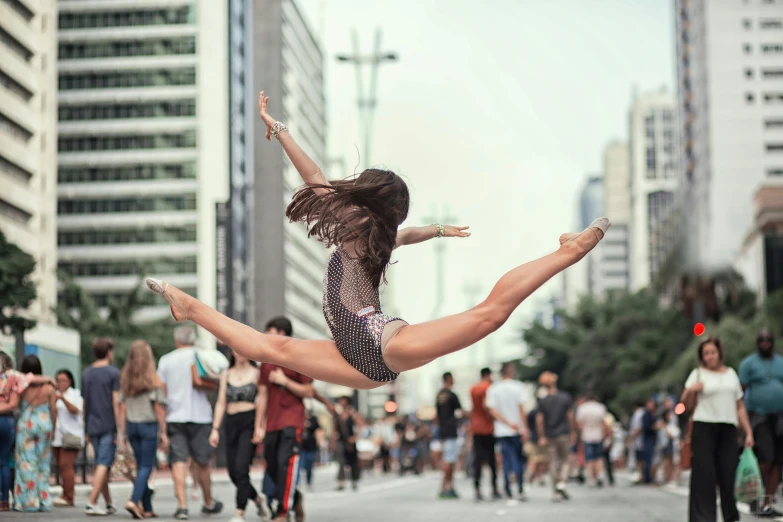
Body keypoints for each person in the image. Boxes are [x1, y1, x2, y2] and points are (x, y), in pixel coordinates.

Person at [144, 92, 610, 391]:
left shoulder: (361, 229)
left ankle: (569, 250)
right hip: (362, 358)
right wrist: (439, 230)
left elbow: (314, 177)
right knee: (271, 350)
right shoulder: (371, 232)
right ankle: (187, 304)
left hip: (372, 346)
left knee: (488, 315)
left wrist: (281, 130)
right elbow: (405, 233)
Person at [681, 337, 753, 522]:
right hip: (704, 426)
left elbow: (740, 406)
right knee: (704, 475)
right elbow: (685, 405)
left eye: (712, 352)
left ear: (719, 353)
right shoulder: (697, 374)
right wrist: (691, 390)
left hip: (728, 427)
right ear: (702, 357)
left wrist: (748, 432)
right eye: (706, 353)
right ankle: (703, 518)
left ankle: (731, 516)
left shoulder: (731, 374)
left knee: (728, 474)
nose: (710, 356)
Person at [157, 326, 223, 520]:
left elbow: (163, 392)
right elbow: (220, 371)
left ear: (177, 341)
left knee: (178, 460)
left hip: (175, 416)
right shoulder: (202, 355)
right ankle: (208, 502)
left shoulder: (165, 360)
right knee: (202, 462)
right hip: (201, 416)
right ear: (193, 340)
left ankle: (182, 506)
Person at [253, 317, 313, 522]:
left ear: (283, 334)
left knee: (285, 464)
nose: (268, 336)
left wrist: (284, 381)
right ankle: (295, 498)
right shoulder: (266, 362)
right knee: (273, 467)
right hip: (272, 423)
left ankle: (282, 511)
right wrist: (258, 426)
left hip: (292, 420)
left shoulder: (298, 357)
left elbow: (308, 391)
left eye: (273, 332)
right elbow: (262, 394)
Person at [210, 347, 265, 522]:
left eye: (242, 349)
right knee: (233, 472)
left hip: (249, 422)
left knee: (242, 468)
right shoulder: (226, 374)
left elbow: (263, 401)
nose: (239, 353)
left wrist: (259, 427)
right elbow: (221, 402)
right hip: (231, 422)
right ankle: (257, 498)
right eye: (235, 350)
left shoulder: (256, 373)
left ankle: (239, 511)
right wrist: (215, 429)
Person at [117, 340, 169, 519]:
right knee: (147, 466)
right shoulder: (154, 380)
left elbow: (121, 407)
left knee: (141, 467)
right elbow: (159, 409)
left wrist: (122, 431)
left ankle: (147, 508)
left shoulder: (125, 379)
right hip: (148, 425)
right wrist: (164, 432)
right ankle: (133, 500)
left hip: (132, 426)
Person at [0, 352, 55, 511]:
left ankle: (28, 502)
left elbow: (15, 404)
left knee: (26, 463)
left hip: (27, 424)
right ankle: (44, 500)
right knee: (43, 464)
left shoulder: (20, 386)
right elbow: (53, 410)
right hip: (45, 423)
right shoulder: (49, 387)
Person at [738, 328, 783, 517]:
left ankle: (767, 502)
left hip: (780, 416)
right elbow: (739, 393)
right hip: (758, 416)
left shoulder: (780, 362)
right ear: (757, 342)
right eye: (761, 340)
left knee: (778, 462)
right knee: (765, 458)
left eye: (768, 340)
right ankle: (755, 498)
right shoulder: (749, 364)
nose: (765, 343)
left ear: (773, 342)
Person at [82, 337, 121, 516]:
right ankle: (91, 502)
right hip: (108, 424)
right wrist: (120, 428)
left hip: (92, 423)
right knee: (104, 463)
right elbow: (116, 402)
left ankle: (108, 502)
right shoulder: (113, 374)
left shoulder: (87, 373)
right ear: (109, 352)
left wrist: (85, 427)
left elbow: (85, 403)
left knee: (100, 464)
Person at [486, 362, 528, 501]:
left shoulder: (494, 388)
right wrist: (524, 427)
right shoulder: (518, 387)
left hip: (502, 431)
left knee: (506, 460)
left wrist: (506, 423)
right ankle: (520, 488)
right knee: (518, 460)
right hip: (517, 429)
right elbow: (522, 409)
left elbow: (492, 410)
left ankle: (507, 489)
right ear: (511, 371)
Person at [536, 371, 576, 502]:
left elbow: (540, 420)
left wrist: (541, 436)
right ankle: (562, 483)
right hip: (563, 433)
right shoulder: (565, 397)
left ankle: (556, 492)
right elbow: (570, 417)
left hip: (550, 435)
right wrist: (573, 431)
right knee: (566, 460)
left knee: (553, 463)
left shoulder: (543, 401)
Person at [52, 369, 84, 508]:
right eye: (58, 380)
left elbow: (75, 410)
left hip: (71, 435)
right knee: (61, 466)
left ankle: (69, 496)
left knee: (67, 465)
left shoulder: (74, 394)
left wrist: (63, 399)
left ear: (70, 381)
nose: (60, 383)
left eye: (63, 380)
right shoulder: (54, 395)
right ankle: (64, 493)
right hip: (57, 436)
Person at [469, 367, 501, 502]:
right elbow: (486, 406)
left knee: (478, 458)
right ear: (488, 375)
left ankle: (477, 488)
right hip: (488, 427)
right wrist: (494, 418)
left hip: (476, 427)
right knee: (491, 459)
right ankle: (494, 489)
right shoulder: (489, 388)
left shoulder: (473, 388)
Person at [435, 372, 462, 499]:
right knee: (449, 460)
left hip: (442, 431)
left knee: (448, 459)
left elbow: (437, 415)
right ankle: (444, 487)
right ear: (449, 379)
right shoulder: (452, 395)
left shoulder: (439, 395)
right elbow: (460, 412)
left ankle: (450, 487)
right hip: (451, 430)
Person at [575, 392, 608, 487]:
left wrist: (579, 435)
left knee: (590, 458)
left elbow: (580, 424)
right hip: (598, 435)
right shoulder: (600, 407)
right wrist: (605, 434)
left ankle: (593, 477)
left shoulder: (582, 408)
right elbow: (603, 423)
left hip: (587, 435)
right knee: (598, 457)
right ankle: (600, 474)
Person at [332, 396, 362, 494]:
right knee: (341, 461)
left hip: (351, 440)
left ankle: (354, 481)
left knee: (353, 462)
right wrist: (333, 440)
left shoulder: (352, 413)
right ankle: (341, 482)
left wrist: (355, 437)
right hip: (341, 441)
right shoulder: (337, 414)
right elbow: (334, 428)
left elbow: (359, 425)